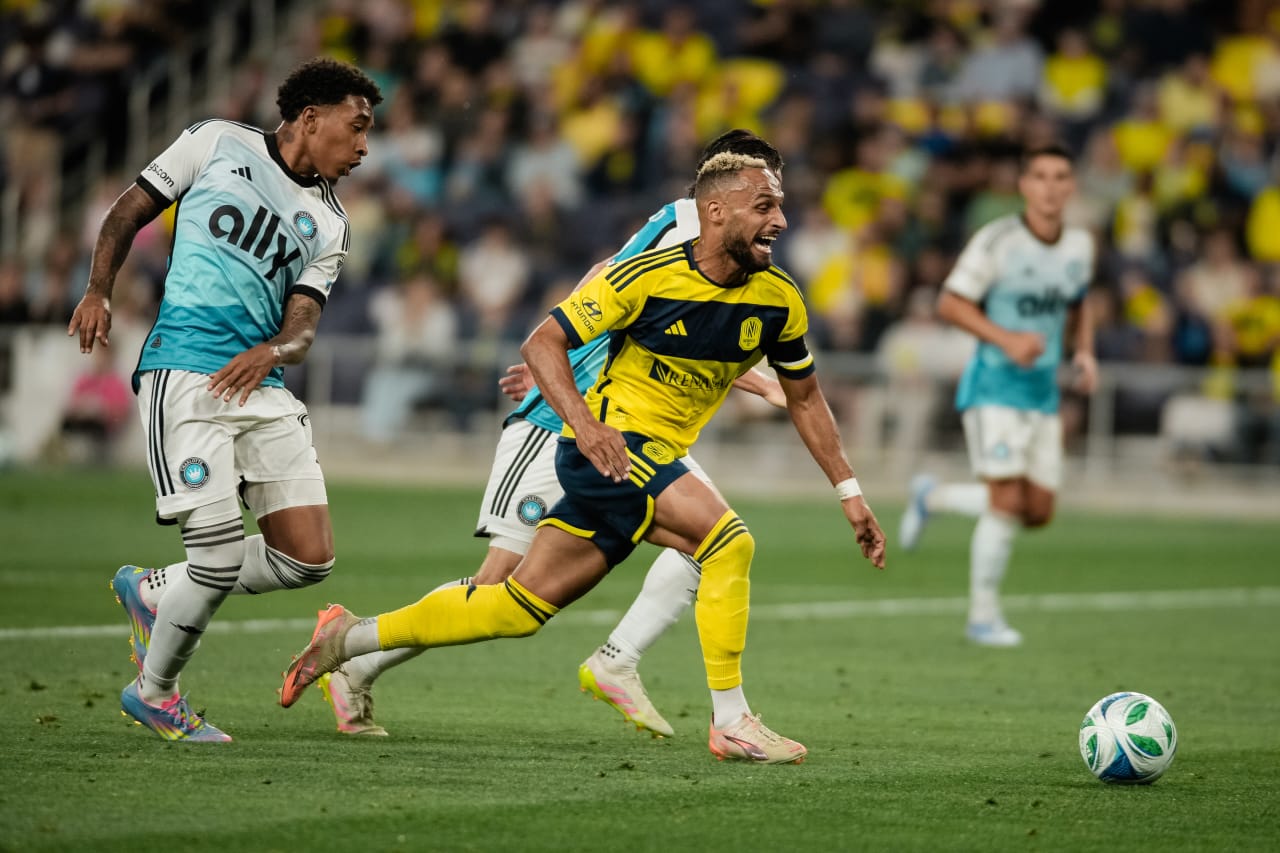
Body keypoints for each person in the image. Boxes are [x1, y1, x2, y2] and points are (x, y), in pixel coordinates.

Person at [280, 151, 887, 765]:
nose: (781, 220)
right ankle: (729, 720)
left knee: (513, 606)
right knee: (727, 544)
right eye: (765, 205)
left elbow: (804, 398)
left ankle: (348, 639)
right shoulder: (651, 269)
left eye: (780, 205)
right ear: (714, 209)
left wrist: (850, 492)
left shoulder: (779, 298)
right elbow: (546, 338)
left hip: (654, 453)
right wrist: (583, 421)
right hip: (608, 445)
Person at [67, 57, 383, 741]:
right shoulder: (216, 141)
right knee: (213, 560)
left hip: (259, 384)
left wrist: (276, 351)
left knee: (308, 558)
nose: (364, 147)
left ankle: (154, 589)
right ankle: (156, 693)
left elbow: (303, 326)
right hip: (186, 373)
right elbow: (128, 211)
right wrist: (98, 289)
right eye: (356, 128)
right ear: (310, 118)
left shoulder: (329, 223)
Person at [897, 143, 1098, 647]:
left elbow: (1079, 302)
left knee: (1039, 511)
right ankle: (982, 617)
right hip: (994, 386)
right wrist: (1007, 340)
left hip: (1042, 392)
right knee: (1006, 502)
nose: (1050, 187)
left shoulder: (1079, 245)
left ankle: (933, 497)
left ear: (1071, 186)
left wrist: (1084, 351)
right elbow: (950, 302)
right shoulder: (999, 240)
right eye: (1040, 176)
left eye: (1060, 177)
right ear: (1025, 186)